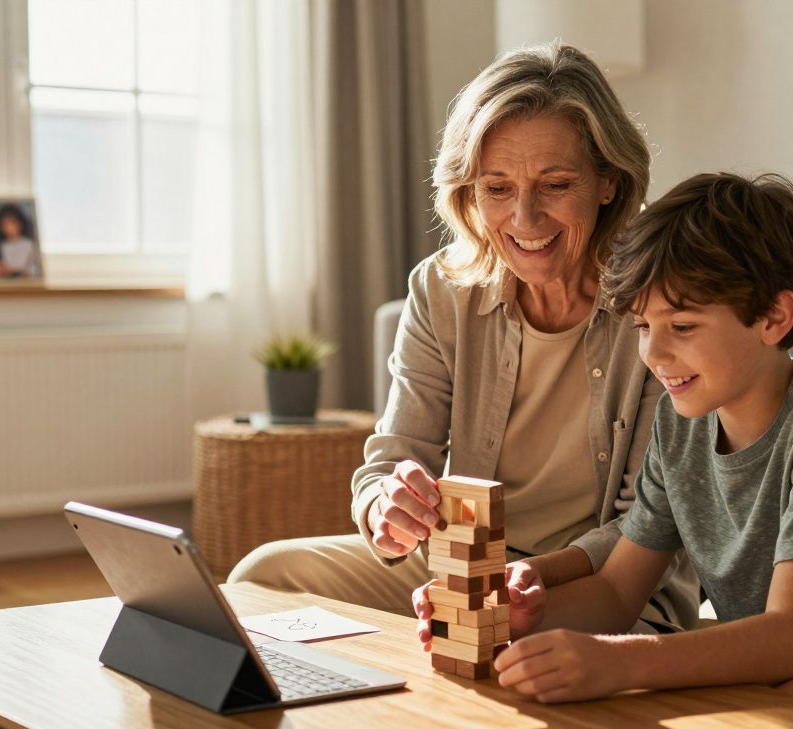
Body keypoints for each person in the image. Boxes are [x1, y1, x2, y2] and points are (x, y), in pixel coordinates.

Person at [437, 172, 793, 728]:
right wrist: (512, 619)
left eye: (682, 325)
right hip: (775, 678)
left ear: (774, 317)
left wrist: (618, 663)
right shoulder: (682, 425)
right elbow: (616, 590)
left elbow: (791, 638)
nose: (655, 353)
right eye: (645, 326)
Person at [229, 43, 700, 636]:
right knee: (262, 576)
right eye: (497, 188)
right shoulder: (441, 289)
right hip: (457, 566)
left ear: (607, 181)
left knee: (508, 659)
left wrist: (511, 586)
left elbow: (645, 526)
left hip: (594, 588)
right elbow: (392, 458)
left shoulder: (661, 303)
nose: (525, 220)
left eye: (554, 184)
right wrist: (387, 509)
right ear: (468, 191)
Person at [0, 204, 39, 279]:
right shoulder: (1, 246)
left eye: (12, 223)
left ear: (20, 223)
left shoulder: (29, 244)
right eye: (4, 225)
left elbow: (35, 267)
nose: (8, 228)